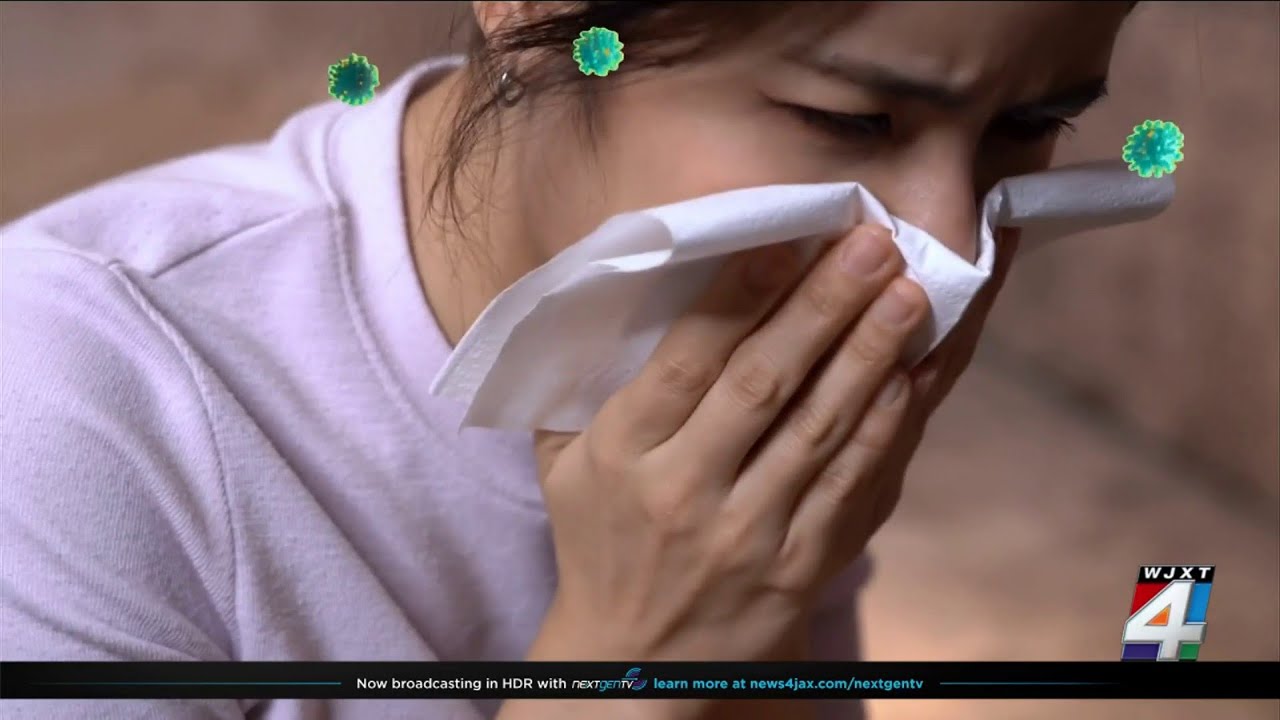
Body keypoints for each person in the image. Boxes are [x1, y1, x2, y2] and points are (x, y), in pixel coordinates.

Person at [0, 2, 1139, 719]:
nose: (947, 249)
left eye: (1027, 128)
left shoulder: (732, 372)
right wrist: (637, 653)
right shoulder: (68, 403)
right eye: (848, 119)